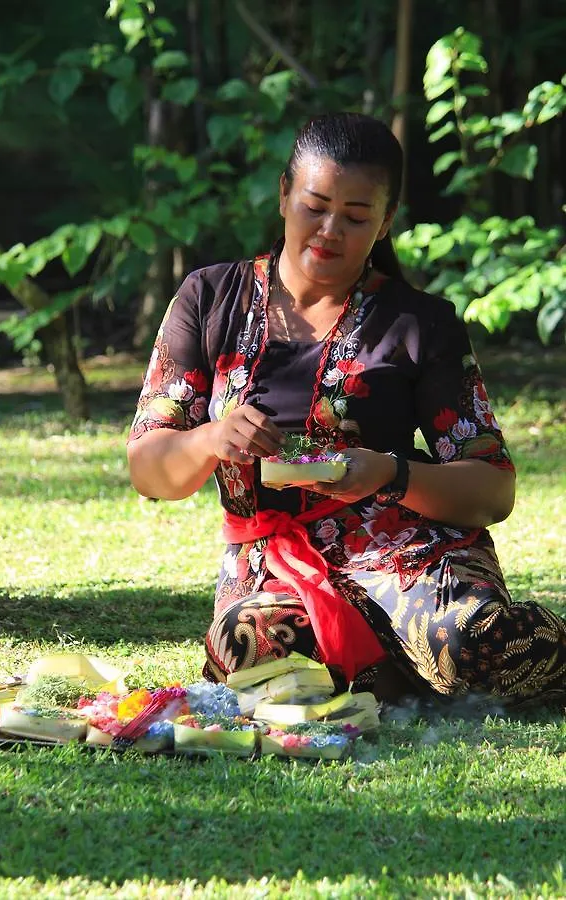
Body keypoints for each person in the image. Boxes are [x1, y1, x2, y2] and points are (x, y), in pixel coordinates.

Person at [127, 112, 566, 705]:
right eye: (315, 206)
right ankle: (391, 670)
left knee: (470, 642)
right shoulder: (210, 299)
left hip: (408, 553)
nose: (330, 229)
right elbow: (148, 469)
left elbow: (492, 490)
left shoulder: (420, 322)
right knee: (249, 653)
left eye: (356, 217)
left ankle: (417, 660)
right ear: (284, 195)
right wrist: (209, 439)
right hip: (278, 568)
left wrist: (389, 474)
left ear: (385, 223)